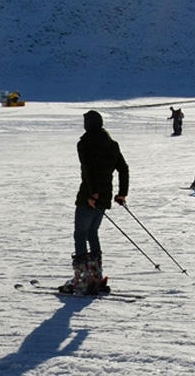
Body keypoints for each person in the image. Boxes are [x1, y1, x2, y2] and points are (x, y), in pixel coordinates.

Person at [61, 110, 128, 295]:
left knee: (80, 234)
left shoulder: (85, 143)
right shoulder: (111, 143)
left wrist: (92, 194)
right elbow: (123, 168)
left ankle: (83, 280)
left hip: (89, 196)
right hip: (105, 197)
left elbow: (88, 170)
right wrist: (122, 193)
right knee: (92, 233)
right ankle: (95, 276)